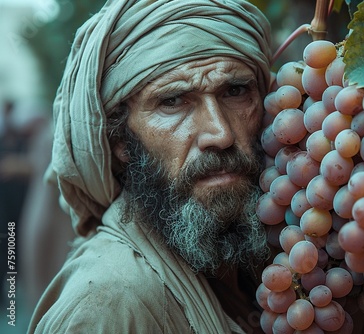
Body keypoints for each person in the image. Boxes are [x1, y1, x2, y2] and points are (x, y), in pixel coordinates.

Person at [28, 0, 272, 333]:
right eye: (173, 101)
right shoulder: (109, 306)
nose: (221, 133)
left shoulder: (264, 262)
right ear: (120, 140)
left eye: (235, 91)